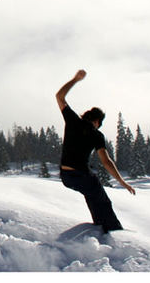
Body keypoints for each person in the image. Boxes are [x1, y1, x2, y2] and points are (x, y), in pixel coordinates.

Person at [55, 69, 136, 233]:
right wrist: (122, 182)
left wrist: (75, 79)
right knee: (102, 201)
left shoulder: (72, 120)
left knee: (92, 195)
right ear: (97, 121)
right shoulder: (97, 134)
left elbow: (59, 96)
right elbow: (106, 162)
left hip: (65, 176)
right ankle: (113, 231)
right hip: (81, 175)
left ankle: (100, 227)